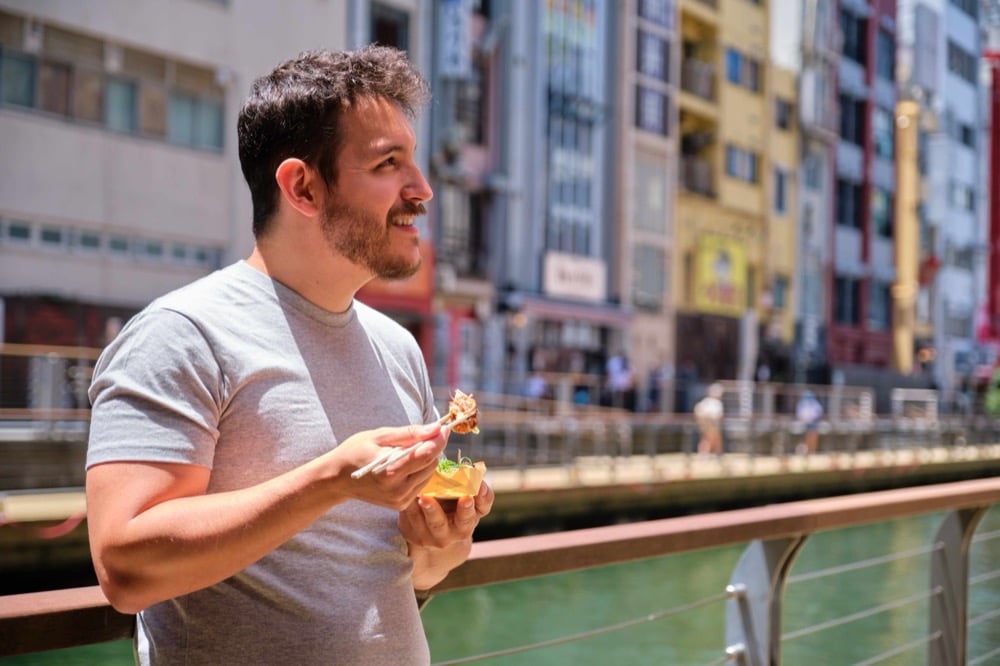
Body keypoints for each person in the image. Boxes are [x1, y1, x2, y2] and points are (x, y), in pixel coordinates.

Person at [85, 46, 494, 666]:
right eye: (390, 163)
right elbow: (126, 567)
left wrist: (441, 540)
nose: (423, 190)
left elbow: (408, 577)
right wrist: (328, 481)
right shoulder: (182, 333)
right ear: (302, 186)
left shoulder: (397, 347)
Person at [694, 382, 724, 456]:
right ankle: (708, 453)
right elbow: (719, 415)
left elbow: (697, 412)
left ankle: (708, 453)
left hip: (705, 424)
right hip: (712, 424)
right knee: (712, 439)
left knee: (707, 439)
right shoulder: (715, 403)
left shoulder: (704, 402)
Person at [795, 390, 824, 454]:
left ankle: (812, 450)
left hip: (813, 423)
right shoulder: (802, 403)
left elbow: (818, 413)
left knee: (813, 436)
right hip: (805, 423)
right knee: (807, 437)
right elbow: (800, 414)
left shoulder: (814, 403)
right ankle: (807, 450)